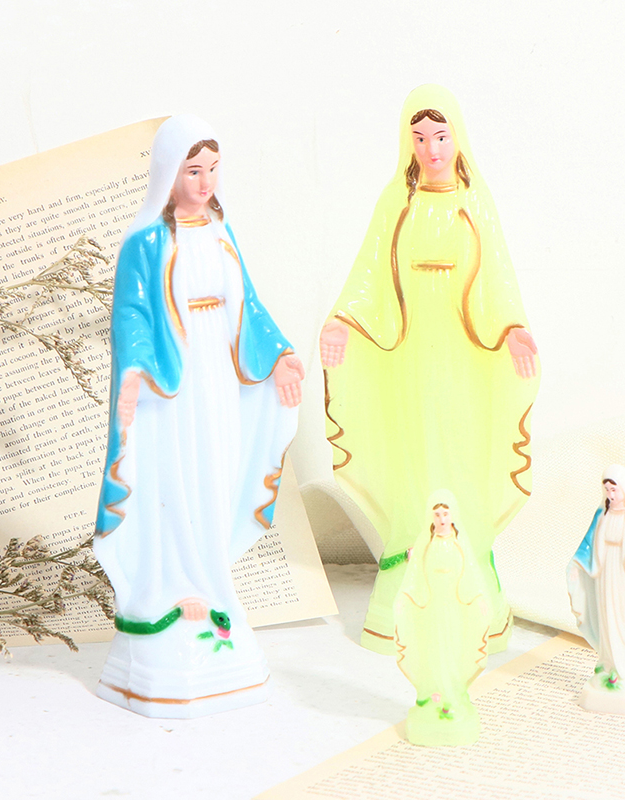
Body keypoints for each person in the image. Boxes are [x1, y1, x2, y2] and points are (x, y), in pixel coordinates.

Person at [93, 115, 304, 718]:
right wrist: (134, 374)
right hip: (171, 383)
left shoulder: (220, 229)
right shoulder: (144, 242)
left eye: (212, 169)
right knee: (174, 476)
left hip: (217, 375)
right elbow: (131, 315)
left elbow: (249, 304)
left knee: (214, 472)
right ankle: (171, 587)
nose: (205, 181)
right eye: (193, 170)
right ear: (169, 174)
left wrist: (280, 356)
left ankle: (210, 584)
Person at [320, 85, 539, 655]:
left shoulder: (475, 201)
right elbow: (368, 269)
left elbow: (499, 275)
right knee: (416, 448)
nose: (432, 149)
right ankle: (406, 586)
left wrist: (513, 327)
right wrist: (342, 320)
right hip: (412, 355)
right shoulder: (397, 201)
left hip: (463, 354)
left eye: (440, 136)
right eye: (419, 138)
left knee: (460, 446)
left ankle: (469, 580)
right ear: (407, 142)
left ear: (457, 137)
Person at [394, 494, 490, 746]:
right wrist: (405, 598)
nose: (441, 518)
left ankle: (453, 695)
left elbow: (471, 576)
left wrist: (479, 600)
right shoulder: (426, 546)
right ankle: (433, 693)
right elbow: (414, 576)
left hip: (454, 609)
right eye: (437, 514)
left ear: (453, 515)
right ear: (431, 517)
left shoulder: (460, 545)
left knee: (454, 649)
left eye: (445, 513)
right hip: (432, 609)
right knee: (433, 650)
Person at [567, 465, 625, 714]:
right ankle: (609, 665)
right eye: (607, 489)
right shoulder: (602, 514)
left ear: (624, 489)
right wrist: (577, 564)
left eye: (614, 489)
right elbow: (588, 544)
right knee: (607, 620)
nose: (610, 494)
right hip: (605, 577)